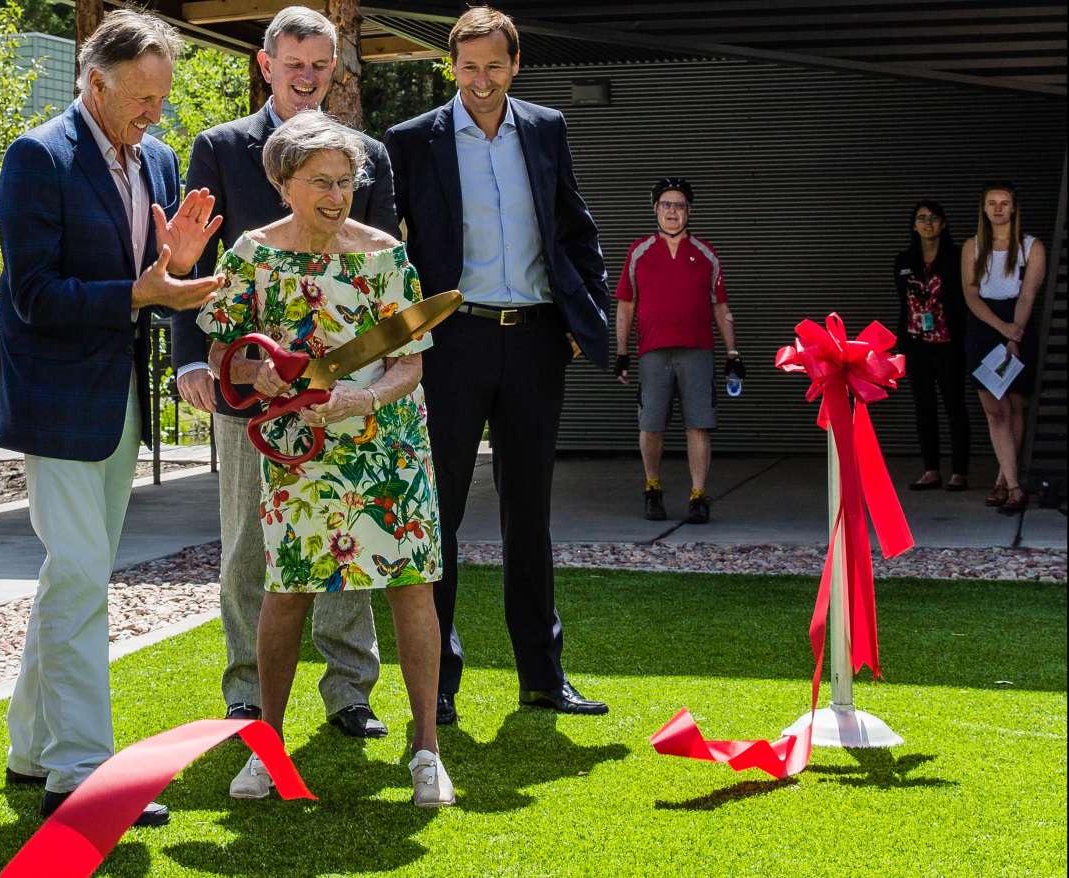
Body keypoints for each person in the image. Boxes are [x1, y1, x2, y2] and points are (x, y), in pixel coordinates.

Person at [0, 9, 225, 825]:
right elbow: (33, 297)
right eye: (142, 96)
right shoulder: (36, 156)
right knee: (84, 573)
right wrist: (142, 292)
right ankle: (80, 770)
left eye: (164, 95)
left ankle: (30, 750)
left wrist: (178, 273)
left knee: (75, 574)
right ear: (94, 84)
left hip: (120, 397)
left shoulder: (159, 161)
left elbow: (161, 281)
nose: (156, 112)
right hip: (53, 397)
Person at [199, 110, 453, 808]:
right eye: (320, 182)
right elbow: (223, 348)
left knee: (410, 586)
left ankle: (426, 750)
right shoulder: (250, 255)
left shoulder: (385, 256)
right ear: (283, 182)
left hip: (386, 445)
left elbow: (409, 368)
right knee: (287, 591)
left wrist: (357, 403)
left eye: (345, 181)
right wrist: (256, 372)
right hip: (297, 450)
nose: (336, 196)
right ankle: (267, 750)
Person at [170, 5, 396, 739]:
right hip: (252, 384)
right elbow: (194, 266)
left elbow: (383, 266)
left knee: (347, 529)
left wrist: (379, 376)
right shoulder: (220, 146)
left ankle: (349, 691)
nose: (307, 77)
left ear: (336, 69)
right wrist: (191, 358)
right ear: (265, 66)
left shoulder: (368, 155)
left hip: (343, 385)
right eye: (293, 64)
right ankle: (245, 691)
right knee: (246, 541)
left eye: (320, 65)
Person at [384, 7, 611, 727]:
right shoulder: (410, 141)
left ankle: (542, 677)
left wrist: (582, 319)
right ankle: (438, 684)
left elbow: (576, 228)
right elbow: (391, 247)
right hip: (452, 343)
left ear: (516, 66)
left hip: (537, 341)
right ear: (451, 67)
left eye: (494, 66)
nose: (480, 81)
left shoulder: (545, 128)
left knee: (529, 514)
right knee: (439, 513)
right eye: (468, 67)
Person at [612, 178, 742, 524]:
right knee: (651, 425)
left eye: (680, 205)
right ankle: (652, 488)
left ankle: (698, 495)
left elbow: (721, 307)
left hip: (696, 351)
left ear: (689, 211)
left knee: (699, 424)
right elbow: (625, 305)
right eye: (666, 205)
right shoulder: (639, 251)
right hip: (653, 352)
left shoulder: (706, 254)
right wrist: (622, 352)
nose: (673, 211)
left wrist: (733, 354)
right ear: (655, 209)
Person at [961, 182, 1045, 515]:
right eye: (991, 203)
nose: (998, 209)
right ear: (983, 209)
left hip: (1019, 323)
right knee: (994, 408)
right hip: (984, 325)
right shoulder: (972, 246)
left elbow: (1027, 294)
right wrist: (1001, 328)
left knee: (1014, 405)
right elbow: (970, 294)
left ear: (1014, 208)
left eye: (1004, 203)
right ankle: (1014, 487)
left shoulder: (1031, 247)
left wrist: (1015, 334)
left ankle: (1003, 479)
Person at [895, 199, 970, 492]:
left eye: (933, 218)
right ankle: (931, 470)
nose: (927, 223)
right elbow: (904, 302)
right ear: (914, 225)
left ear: (943, 223)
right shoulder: (904, 260)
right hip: (916, 343)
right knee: (923, 407)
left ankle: (960, 471)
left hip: (949, 342)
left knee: (954, 406)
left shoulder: (957, 257)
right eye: (921, 218)